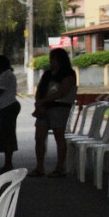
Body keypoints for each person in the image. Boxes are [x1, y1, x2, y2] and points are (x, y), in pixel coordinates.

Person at [30, 47, 77, 178]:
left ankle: (60, 167)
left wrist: (43, 100)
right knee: (39, 137)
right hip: (43, 107)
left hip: (60, 107)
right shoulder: (47, 74)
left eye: (54, 58)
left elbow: (63, 91)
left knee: (59, 136)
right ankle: (40, 167)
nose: (52, 61)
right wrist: (39, 102)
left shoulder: (68, 73)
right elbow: (39, 89)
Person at [0, 54, 21, 172]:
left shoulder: (6, 75)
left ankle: (8, 163)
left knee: (8, 135)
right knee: (4, 135)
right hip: (3, 107)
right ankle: (6, 162)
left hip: (7, 106)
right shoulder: (2, 75)